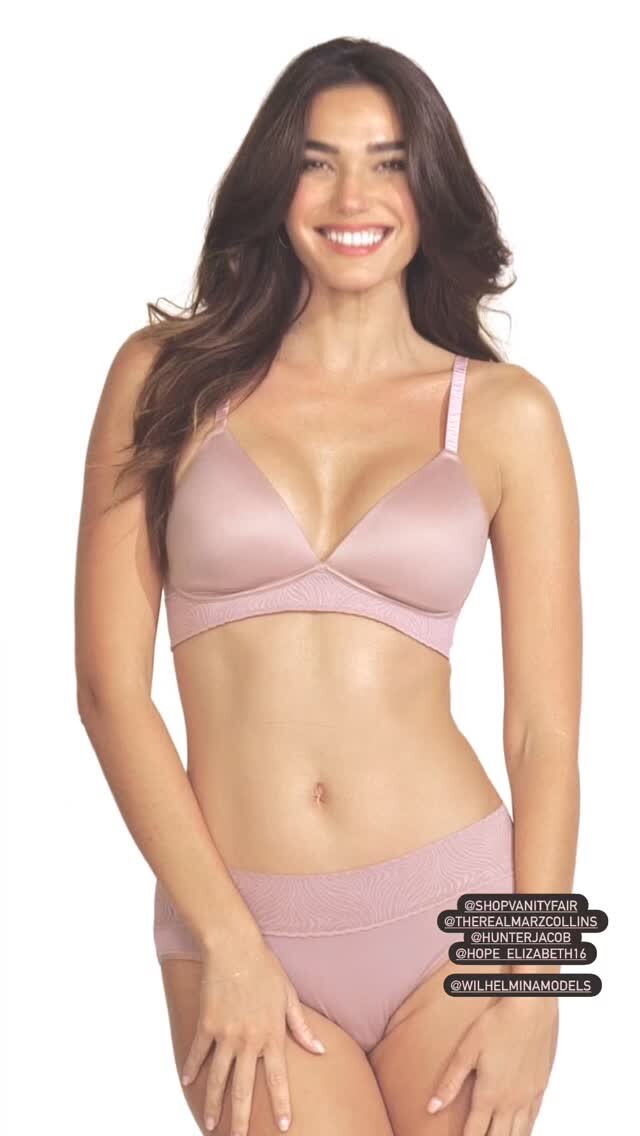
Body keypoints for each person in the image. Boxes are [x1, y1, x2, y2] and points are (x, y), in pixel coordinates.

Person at [75, 36, 580, 1136]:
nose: (354, 197)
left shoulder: (507, 414)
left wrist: (538, 981)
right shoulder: (165, 379)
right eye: (319, 162)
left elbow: (543, 732)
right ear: (276, 183)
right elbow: (110, 692)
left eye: (389, 162)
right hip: (238, 916)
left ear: (429, 188)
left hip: (460, 918)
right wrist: (227, 940)